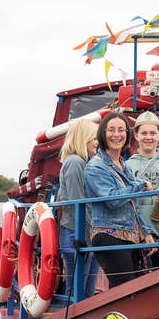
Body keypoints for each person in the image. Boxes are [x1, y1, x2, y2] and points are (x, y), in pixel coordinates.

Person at [84, 111, 157, 288]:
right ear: (103, 133)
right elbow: (113, 199)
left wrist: (146, 231)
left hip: (129, 236)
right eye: (111, 130)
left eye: (121, 130)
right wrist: (140, 185)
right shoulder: (95, 166)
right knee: (125, 289)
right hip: (108, 234)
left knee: (129, 290)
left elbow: (132, 203)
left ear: (127, 134)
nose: (116, 135)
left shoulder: (123, 164)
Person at [57, 119, 101, 299]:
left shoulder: (86, 163)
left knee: (86, 291)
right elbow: (77, 202)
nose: (98, 142)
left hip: (85, 231)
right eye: (94, 138)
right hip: (77, 233)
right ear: (84, 139)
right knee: (77, 290)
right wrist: (88, 234)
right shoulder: (75, 162)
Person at [125, 112, 159, 268]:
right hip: (134, 235)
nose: (149, 137)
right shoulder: (127, 165)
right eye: (144, 133)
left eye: (153, 133)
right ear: (136, 135)